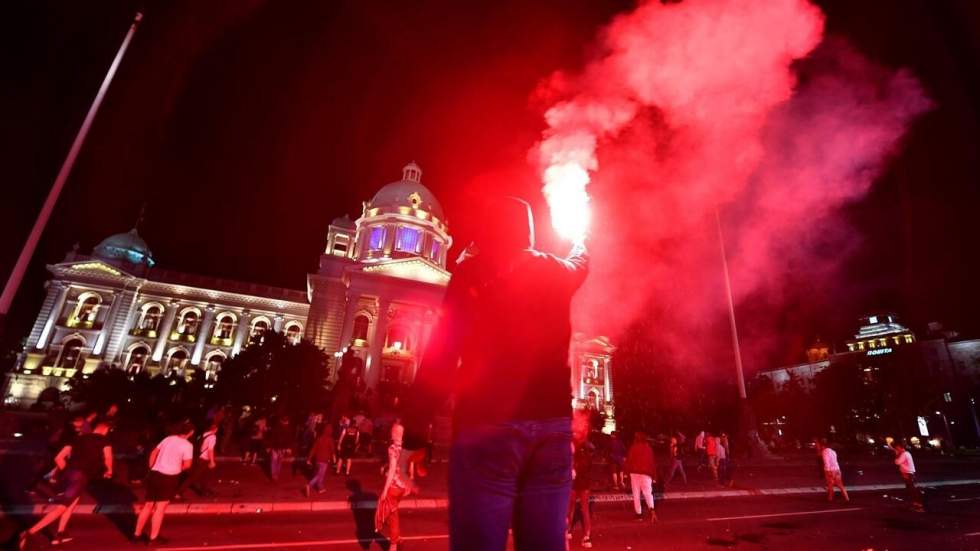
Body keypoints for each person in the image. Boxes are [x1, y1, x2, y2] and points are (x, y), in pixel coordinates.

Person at [403, 196, 588, 551]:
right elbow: (582, 261)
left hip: (486, 429)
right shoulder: (556, 271)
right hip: (551, 431)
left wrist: (415, 430)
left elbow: (443, 353)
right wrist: (583, 236)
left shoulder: (470, 275)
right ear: (529, 233)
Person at [19, 421, 113, 549]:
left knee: (71, 504)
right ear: (105, 429)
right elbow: (108, 458)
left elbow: (58, 458)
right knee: (62, 507)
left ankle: (60, 533)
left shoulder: (77, 439)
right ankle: (29, 533)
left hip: (68, 474)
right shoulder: (104, 440)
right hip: (81, 477)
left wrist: (68, 471)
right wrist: (109, 471)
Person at [133, 422, 194, 544]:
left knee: (148, 505)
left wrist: (152, 467)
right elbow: (187, 465)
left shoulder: (168, 439)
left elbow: (154, 452)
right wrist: (179, 468)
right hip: (169, 477)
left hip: (155, 474)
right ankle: (153, 537)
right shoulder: (187, 445)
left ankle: (137, 534)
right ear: (190, 432)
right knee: (160, 508)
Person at [376, 422, 415, 551]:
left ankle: (393, 545)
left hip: (393, 487)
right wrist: (409, 484)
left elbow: (392, 470)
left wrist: (384, 490)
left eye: (393, 431)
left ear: (394, 434)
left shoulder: (392, 448)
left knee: (387, 513)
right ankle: (397, 538)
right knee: (393, 511)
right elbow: (411, 466)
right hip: (403, 488)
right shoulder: (407, 448)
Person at [567, 416, 594, 549]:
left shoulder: (577, 445)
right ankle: (585, 535)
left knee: (574, 507)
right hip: (582, 480)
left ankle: (571, 531)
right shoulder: (587, 446)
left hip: (578, 480)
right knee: (582, 509)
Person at [177, 422, 218, 498]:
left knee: (205, 476)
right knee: (193, 477)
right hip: (204, 459)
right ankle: (179, 492)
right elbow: (210, 450)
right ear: (215, 429)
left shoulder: (204, 434)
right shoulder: (212, 437)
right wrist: (212, 461)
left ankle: (204, 492)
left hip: (199, 457)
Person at [625, 431, 658, 522]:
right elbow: (652, 463)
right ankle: (652, 510)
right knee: (648, 493)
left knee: (636, 494)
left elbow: (629, 461)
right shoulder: (648, 448)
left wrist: (626, 473)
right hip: (646, 474)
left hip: (635, 473)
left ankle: (639, 515)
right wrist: (654, 476)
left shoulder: (633, 447)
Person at [304, 424, 336, 496]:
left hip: (317, 459)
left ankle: (320, 488)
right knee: (320, 475)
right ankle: (309, 485)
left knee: (319, 474)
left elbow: (313, 449)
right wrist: (334, 459)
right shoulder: (330, 440)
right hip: (325, 460)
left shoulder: (319, 438)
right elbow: (333, 450)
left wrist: (309, 459)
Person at [892, 441, 924, 512]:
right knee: (911, 490)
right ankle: (916, 505)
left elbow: (897, 462)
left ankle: (919, 506)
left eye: (897, 448)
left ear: (900, 447)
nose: (896, 449)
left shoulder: (904, 454)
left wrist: (897, 454)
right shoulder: (906, 453)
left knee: (912, 490)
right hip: (908, 474)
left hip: (908, 474)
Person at [268, 415, 293, 482]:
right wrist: (288, 448)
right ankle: (275, 475)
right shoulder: (286, 428)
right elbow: (288, 439)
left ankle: (275, 475)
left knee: (276, 461)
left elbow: (272, 437)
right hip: (280, 447)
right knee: (277, 461)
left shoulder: (280, 428)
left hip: (278, 447)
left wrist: (270, 447)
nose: (287, 422)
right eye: (286, 421)